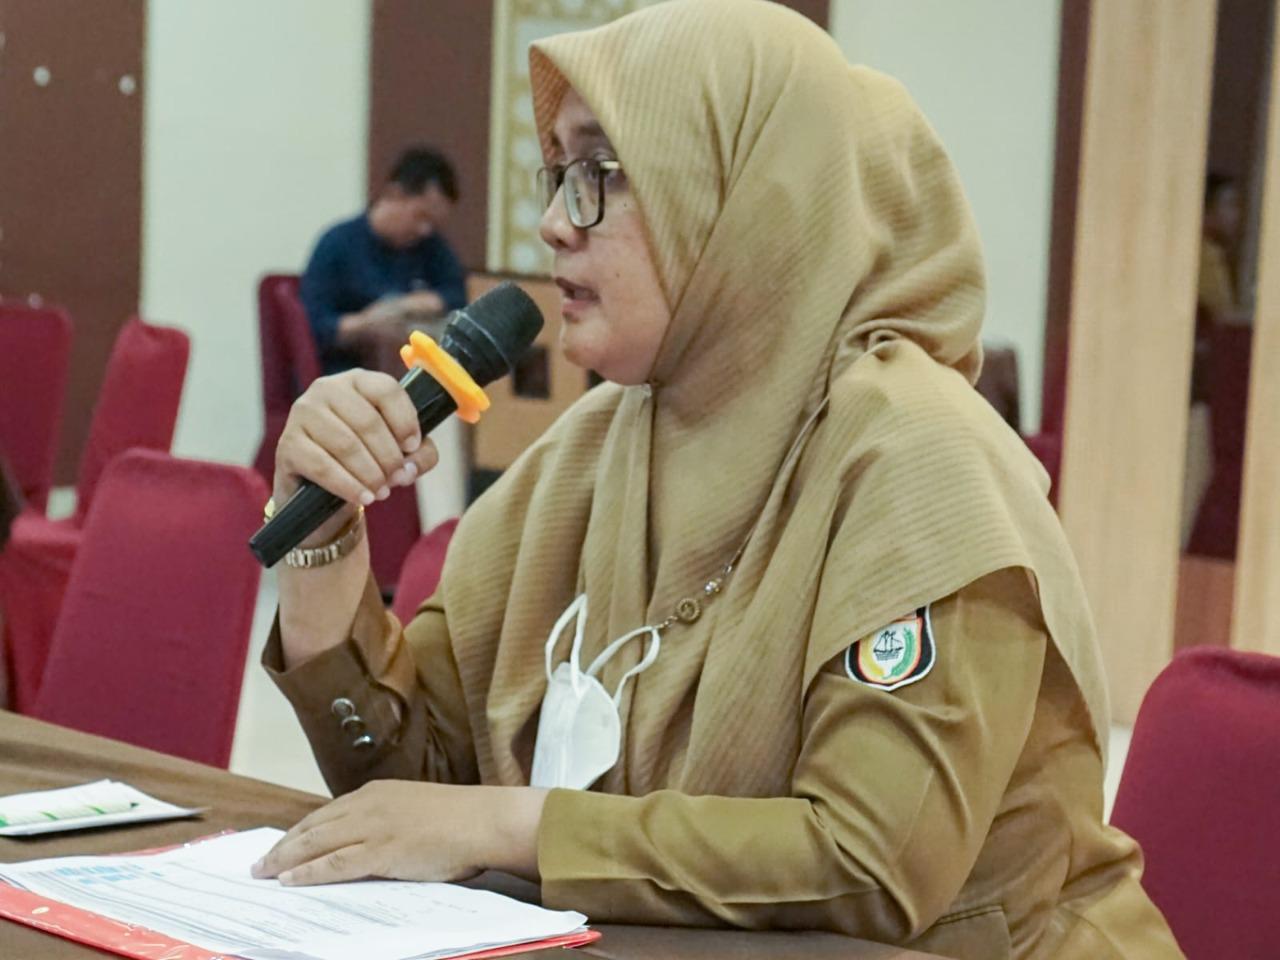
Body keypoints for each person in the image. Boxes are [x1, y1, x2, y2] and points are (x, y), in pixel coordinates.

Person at [252, 3, 1184, 957]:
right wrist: (325, 536)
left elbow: (869, 865)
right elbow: (409, 789)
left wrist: (519, 826)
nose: (554, 224)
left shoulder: (918, 458)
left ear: (747, 200)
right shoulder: (593, 451)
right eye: (560, 174)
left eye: (601, 174)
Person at [300, 147, 468, 375]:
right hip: (345, 374)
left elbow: (457, 296)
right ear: (394, 194)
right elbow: (314, 326)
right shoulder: (337, 244)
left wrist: (404, 306)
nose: (425, 230)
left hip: (409, 371)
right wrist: (366, 324)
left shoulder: (432, 247)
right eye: (421, 216)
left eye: (433, 224)